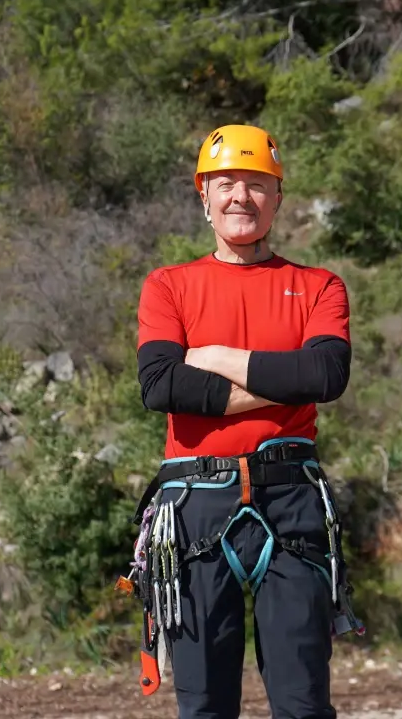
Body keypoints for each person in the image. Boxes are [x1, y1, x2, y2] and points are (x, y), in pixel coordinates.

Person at [123, 124, 363, 719]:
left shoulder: (317, 286)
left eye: (257, 185)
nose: (241, 198)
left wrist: (220, 360)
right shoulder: (168, 286)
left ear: (278, 197)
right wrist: (286, 383)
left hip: (292, 500)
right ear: (203, 196)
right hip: (195, 501)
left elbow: (328, 375)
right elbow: (162, 386)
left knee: (304, 704)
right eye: (226, 183)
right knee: (203, 705)